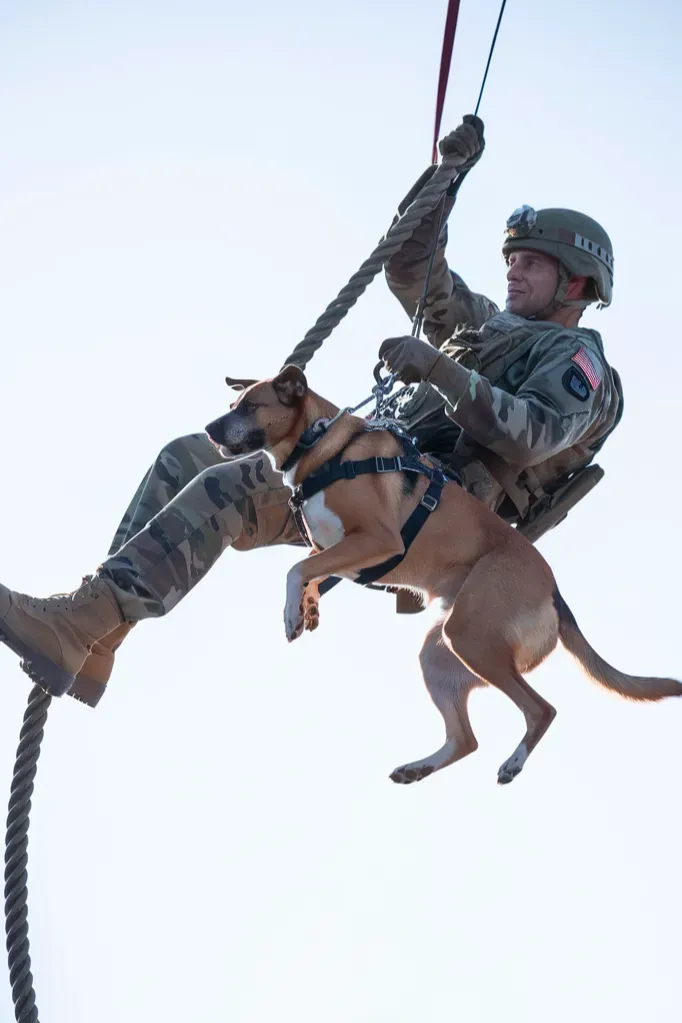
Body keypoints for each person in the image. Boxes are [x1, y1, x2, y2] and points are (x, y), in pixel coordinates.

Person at [0, 116, 622, 717]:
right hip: (378, 472)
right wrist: (442, 184)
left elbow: (530, 436)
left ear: (576, 286)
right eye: (511, 259)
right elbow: (411, 269)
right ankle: (95, 635)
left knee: (235, 487)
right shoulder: (489, 326)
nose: (513, 271)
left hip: (424, 514)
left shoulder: (576, 363)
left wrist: (438, 368)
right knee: (188, 456)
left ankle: (80, 625)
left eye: (532, 263)